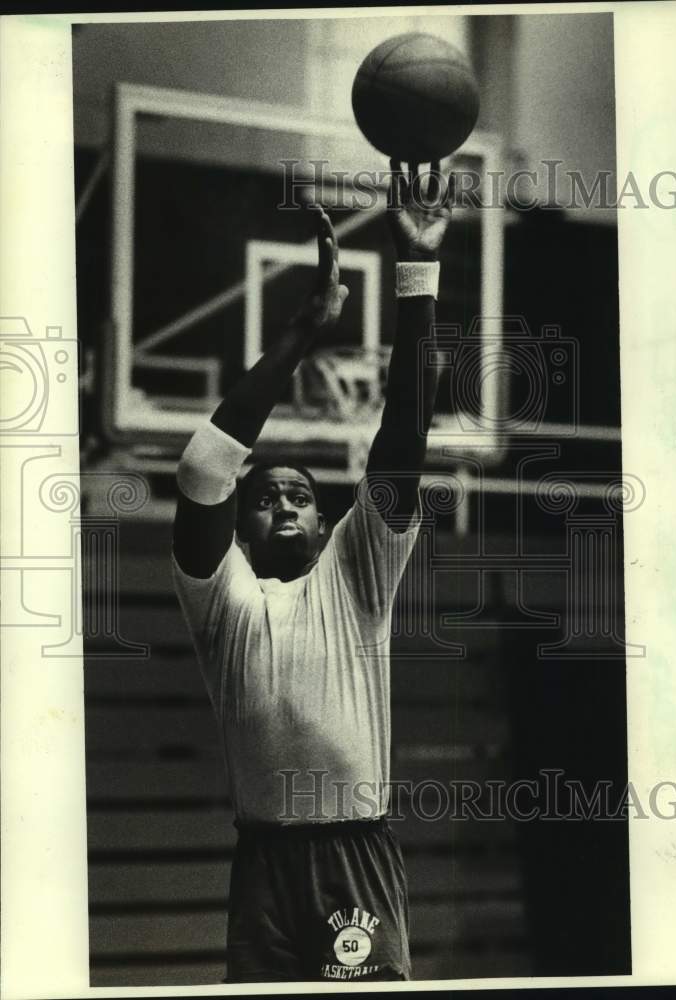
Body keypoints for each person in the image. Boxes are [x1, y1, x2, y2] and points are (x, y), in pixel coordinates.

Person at [172, 160, 455, 983]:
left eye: (300, 494)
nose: (285, 503)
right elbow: (201, 471)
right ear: (243, 530)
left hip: (351, 855)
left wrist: (417, 273)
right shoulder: (222, 601)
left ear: (329, 524)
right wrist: (301, 331)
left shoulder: (354, 579)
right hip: (260, 861)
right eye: (265, 498)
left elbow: (402, 435)